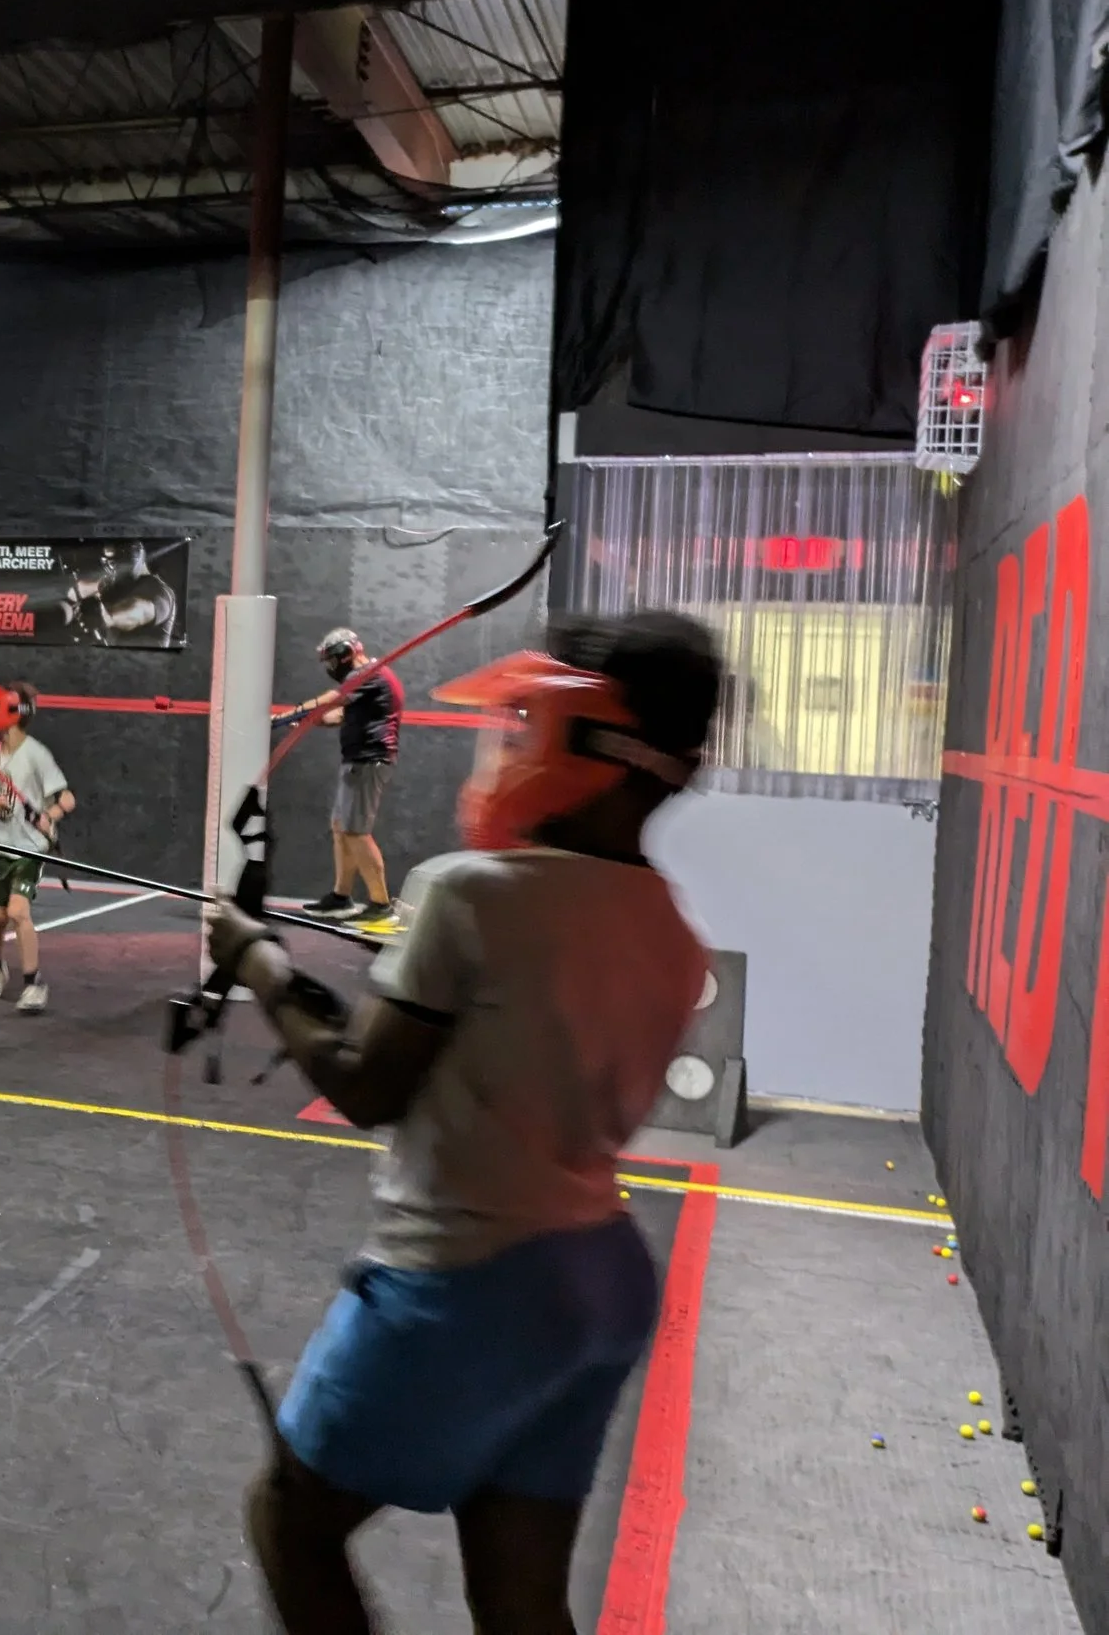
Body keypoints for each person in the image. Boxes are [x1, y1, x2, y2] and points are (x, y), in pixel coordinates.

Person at [205, 611, 721, 1635]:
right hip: (598, 1280)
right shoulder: (670, 924)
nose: (508, 741)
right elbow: (489, 1052)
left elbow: (365, 1083)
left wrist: (254, 959)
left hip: (465, 1279)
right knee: (522, 1598)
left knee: (291, 1520)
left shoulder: (471, 891)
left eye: (527, 719)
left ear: (590, 742)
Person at [0, 680, 74, 1013]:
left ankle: (34, 983)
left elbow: (67, 797)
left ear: (16, 714)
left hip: (30, 848)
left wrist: (51, 814)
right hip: (1, 846)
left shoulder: (36, 755)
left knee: (18, 911)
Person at [301, 628, 402, 927]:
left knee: (356, 831)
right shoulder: (365, 682)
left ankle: (381, 905)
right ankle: (341, 896)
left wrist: (292, 713)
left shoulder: (368, 674)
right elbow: (338, 716)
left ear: (347, 652)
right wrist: (310, 718)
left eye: (332, 659)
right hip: (357, 761)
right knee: (342, 828)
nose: (331, 667)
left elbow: (333, 699)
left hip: (368, 762)